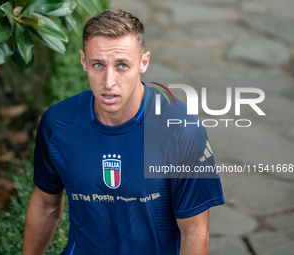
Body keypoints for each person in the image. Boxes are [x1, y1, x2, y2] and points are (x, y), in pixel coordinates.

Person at [22, 9, 225, 255]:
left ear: (144, 62)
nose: (109, 81)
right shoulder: (59, 125)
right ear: (83, 61)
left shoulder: (181, 131)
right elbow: (46, 205)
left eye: (122, 65)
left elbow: (195, 231)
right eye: (98, 64)